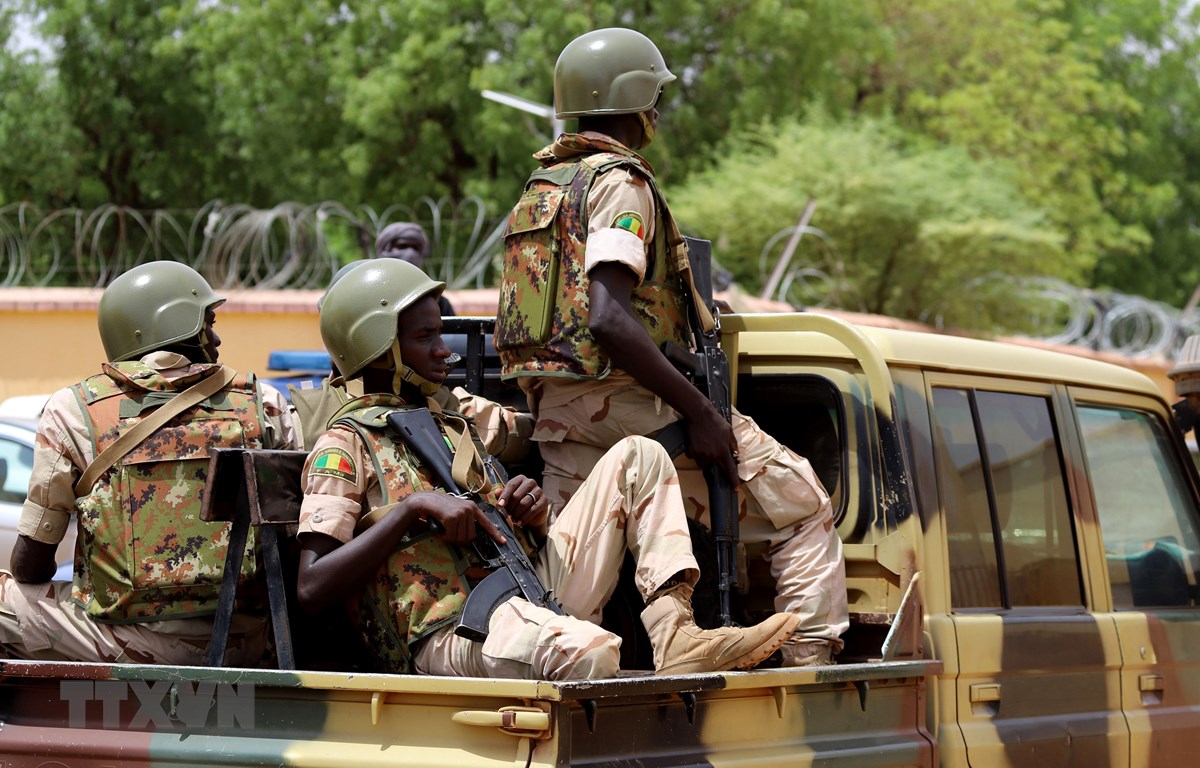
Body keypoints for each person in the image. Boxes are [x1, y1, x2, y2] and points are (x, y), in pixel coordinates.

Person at [495, 28, 848, 667]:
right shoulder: (621, 185)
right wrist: (701, 414)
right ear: (632, 102)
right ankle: (807, 671)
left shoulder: (544, 189)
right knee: (802, 504)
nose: (656, 112)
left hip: (560, 414)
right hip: (631, 404)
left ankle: (570, 683)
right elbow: (607, 316)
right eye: (652, 98)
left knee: (572, 581)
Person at [295, 259, 799, 679]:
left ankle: (675, 634)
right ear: (379, 346)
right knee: (591, 650)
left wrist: (527, 512)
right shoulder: (344, 447)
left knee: (639, 455)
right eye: (426, 337)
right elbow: (312, 586)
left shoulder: (450, 424)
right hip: (449, 631)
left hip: (524, 593)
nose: (444, 351)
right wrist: (410, 510)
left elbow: (503, 527)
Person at [0, 261, 298, 665]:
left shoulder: (74, 412)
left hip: (128, 642)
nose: (217, 337)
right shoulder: (264, 405)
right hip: (246, 639)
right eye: (207, 323)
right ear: (177, 324)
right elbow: (295, 542)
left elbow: (32, 565)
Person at [375, 222, 455, 316]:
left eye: (416, 248)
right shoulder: (371, 295)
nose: (410, 253)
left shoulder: (437, 302)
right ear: (385, 249)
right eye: (402, 246)